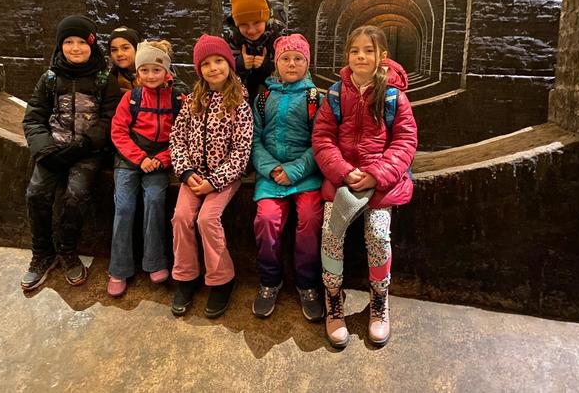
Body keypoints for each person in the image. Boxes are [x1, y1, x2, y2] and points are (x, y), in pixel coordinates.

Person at [312, 25, 418, 348]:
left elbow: (405, 141)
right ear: (347, 55)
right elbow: (323, 138)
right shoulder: (335, 95)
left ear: (382, 56)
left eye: (368, 50)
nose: (361, 56)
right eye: (355, 50)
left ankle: (379, 300)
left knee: (378, 235)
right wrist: (343, 171)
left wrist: (376, 174)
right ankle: (333, 298)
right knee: (331, 233)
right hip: (342, 180)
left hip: (380, 184)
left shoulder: (393, 97)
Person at [21, 14, 120, 291]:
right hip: (52, 149)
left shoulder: (104, 80)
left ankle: (67, 250)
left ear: (92, 45)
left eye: (81, 42)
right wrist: (45, 149)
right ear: (60, 45)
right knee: (36, 193)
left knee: (76, 195)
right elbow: (33, 118)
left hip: (88, 152)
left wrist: (84, 145)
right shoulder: (49, 79)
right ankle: (42, 253)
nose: (75, 48)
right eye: (68, 42)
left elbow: (109, 119)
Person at [169, 35, 254, 318]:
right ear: (199, 69)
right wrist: (186, 171)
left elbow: (242, 150)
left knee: (207, 219)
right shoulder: (193, 100)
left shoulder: (239, 102)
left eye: (219, 61)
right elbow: (177, 138)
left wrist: (215, 181)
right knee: (181, 217)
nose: (213, 68)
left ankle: (221, 279)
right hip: (193, 175)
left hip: (224, 177)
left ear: (229, 63)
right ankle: (186, 275)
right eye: (205, 64)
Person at [250, 34, 324, 321]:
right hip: (271, 176)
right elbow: (254, 139)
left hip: (305, 176)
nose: (292, 64)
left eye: (298, 58)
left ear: (307, 63)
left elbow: (320, 142)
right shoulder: (263, 98)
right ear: (276, 63)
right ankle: (270, 280)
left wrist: (293, 171)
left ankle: (307, 283)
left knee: (310, 218)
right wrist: (271, 169)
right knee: (266, 220)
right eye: (285, 58)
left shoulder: (315, 99)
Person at [107, 40, 184, 297]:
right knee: (124, 206)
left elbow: (183, 136)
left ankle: (155, 261)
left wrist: (163, 159)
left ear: (166, 71)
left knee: (154, 200)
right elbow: (118, 132)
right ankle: (119, 268)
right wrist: (140, 158)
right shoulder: (131, 98)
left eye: (156, 70)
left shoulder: (178, 99)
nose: (150, 76)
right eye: (145, 70)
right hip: (129, 159)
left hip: (159, 160)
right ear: (138, 72)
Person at [222, 0, 286, 101]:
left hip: (273, 90)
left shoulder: (277, 32)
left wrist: (267, 66)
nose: (251, 30)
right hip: (241, 90)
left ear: (265, 19)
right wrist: (239, 63)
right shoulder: (231, 36)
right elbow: (223, 70)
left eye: (257, 22)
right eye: (244, 24)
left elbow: (288, 69)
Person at [108, 26, 141, 93]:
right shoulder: (110, 77)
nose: (119, 54)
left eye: (125, 48)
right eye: (114, 50)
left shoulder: (153, 72)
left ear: (137, 49)